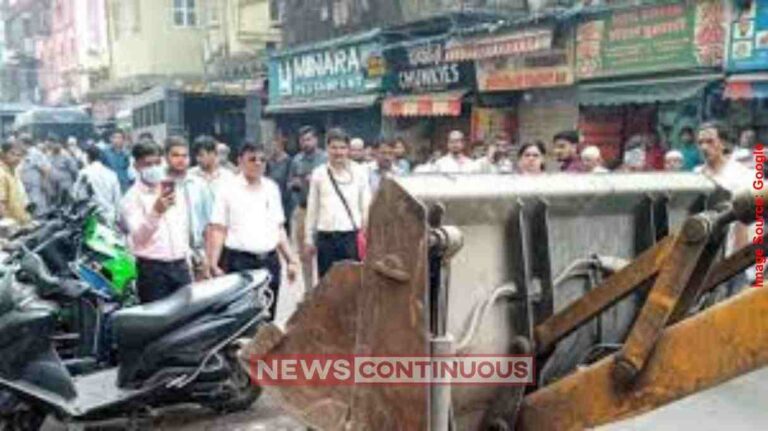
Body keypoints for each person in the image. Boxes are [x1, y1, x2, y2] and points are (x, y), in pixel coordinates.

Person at [207, 143, 298, 321]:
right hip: (239, 263)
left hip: (269, 262)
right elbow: (218, 228)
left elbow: (278, 227)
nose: (258, 163)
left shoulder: (271, 188)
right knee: (241, 320)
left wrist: (291, 260)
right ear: (240, 161)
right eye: (252, 159)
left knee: (267, 317)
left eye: (262, 160)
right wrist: (213, 263)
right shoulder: (227, 189)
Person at [120, 140, 192, 303]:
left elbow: (181, 227)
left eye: (157, 163)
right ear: (137, 166)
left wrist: (187, 258)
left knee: (186, 319)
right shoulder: (131, 198)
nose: (154, 168)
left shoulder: (172, 189)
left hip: (180, 266)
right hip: (153, 269)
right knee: (159, 322)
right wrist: (156, 212)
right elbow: (138, 238)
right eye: (148, 164)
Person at [305, 128, 371, 278]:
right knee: (327, 285)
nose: (338, 152)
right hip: (326, 239)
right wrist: (308, 239)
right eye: (334, 147)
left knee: (352, 285)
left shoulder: (360, 172)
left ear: (348, 149)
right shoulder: (319, 174)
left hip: (351, 238)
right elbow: (312, 209)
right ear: (327, 148)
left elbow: (366, 206)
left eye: (342, 148)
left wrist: (367, 234)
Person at [695, 122, 752, 295]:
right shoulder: (696, 175)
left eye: (710, 141)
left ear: (724, 144)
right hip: (702, 257)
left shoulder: (741, 175)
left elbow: (746, 219)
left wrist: (739, 260)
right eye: (701, 142)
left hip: (734, 255)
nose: (705, 147)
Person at [164, 136, 215, 280]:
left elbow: (209, 225)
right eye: (175, 155)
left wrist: (209, 259)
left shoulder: (200, 185)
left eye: (184, 156)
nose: (180, 160)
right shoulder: (162, 184)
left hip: (197, 253)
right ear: (166, 157)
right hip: (171, 255)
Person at [289, 126, 328, 289]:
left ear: (316, 140)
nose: (306, 143)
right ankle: (309, 291)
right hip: (303, 209)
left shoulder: (325, 159)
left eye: (309, 139)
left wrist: (316, 180)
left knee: (324, 252)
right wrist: (294, 184)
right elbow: (289, 182)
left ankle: (324, 289)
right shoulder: (296, 160)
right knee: (305, 253)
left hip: (322, 211)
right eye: (303, 140)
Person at [73, 146, 122, 225]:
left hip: (90, 216)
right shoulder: (112, 174)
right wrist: (117, 217)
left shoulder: (84, 173)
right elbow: (117, 198)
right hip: (109, 215)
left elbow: (76, 195)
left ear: (87, 157)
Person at [19, 135, 52, 216]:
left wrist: (44, 182)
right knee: (28, 210)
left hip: (35, 188)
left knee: (37, 209)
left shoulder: (35, 154)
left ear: (26, 144)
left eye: (19, 143)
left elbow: (46, 169)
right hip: (25, 188)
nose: (18, 145)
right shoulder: (23, 154)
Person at [0, 141, 31, 225]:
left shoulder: (15, 171)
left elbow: (22, 198)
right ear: (3, 154)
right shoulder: (2, 173)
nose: (17, 158)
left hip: (21, 222)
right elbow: (1, 204)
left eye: (19, 155)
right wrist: (9, 225)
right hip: (10, 227)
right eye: (13, 154)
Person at [267, 137, 293, 227]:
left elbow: (290, 179)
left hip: (285, 198)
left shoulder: (288, 161)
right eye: (271, 147)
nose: (273, 149)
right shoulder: (269, 161)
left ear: (281, 147)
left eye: (275, 146)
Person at [48, 139, 80, 207]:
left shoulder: (66, 156)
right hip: (53, 187)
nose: (55, 146)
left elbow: (74, 170)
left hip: (66, 185)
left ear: (60, 145)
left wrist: (75, 182)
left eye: (57, 144)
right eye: (53, 144)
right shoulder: (48, 156)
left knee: (67, 205)